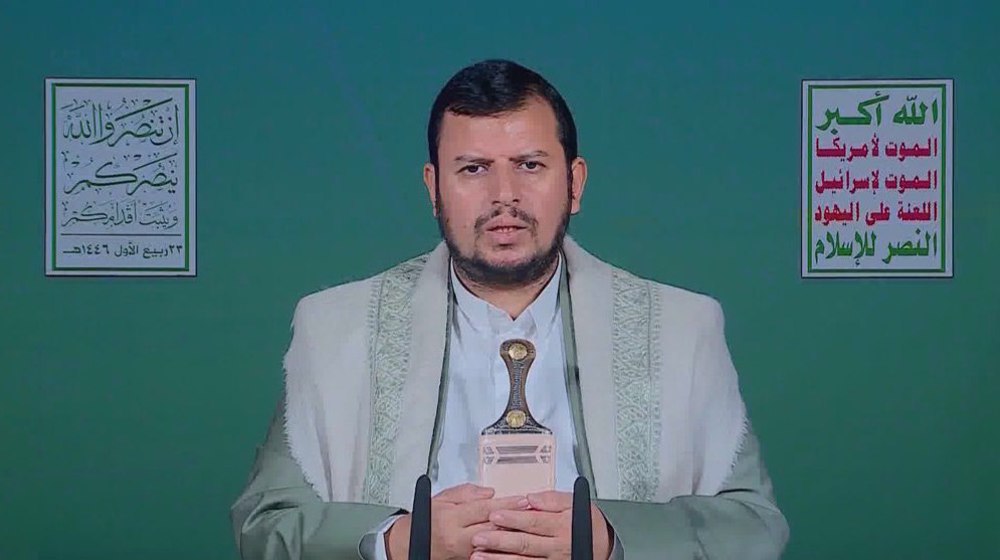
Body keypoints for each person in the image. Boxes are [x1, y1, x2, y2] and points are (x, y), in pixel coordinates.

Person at [231, 59, 788, 560]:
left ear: (574, 183)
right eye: (473, 168)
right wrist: (397, 543)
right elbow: (266, 525)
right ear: (434, 188)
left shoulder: (680, 328)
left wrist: (615, 539)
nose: (504, 195)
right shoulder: (335, 327)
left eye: (529, 165)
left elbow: (755, 526)